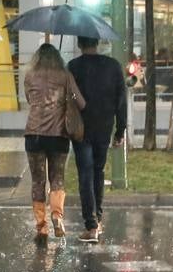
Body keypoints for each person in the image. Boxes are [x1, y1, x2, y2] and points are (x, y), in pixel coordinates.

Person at [22, 42, 85, 243]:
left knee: (37, 181)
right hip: (58, 136)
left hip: (34, 135)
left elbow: (30, 100)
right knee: (57, 178)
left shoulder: (30, 76)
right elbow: (81, 102)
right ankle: (57, 216)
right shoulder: (65, 76)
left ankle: (41, 227)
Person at [67, 36, 126, 243]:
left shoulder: (73, 67)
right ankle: (97, 218)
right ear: (97, 42)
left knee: (85, 172)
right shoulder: (113, 66)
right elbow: (121, 100)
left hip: (81, 128)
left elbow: (69, 97)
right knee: (98, 171)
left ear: (79, 44)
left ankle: (90, 224)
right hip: (104, 127)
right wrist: (121, 129)